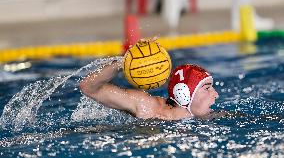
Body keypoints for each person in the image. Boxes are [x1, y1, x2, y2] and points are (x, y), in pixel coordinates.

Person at [79, 61, 219, 121]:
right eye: (207, 88)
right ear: (184, 93)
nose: (216, 94)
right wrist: (124, 63)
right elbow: (89, 87)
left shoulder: (210, 117)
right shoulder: (147, 105)